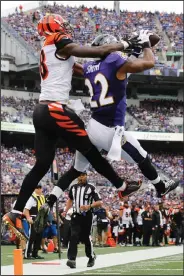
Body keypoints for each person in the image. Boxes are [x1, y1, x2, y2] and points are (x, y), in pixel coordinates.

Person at [2, 14, 142, 240]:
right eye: (63, 25)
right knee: (89, 149)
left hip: (41, 111)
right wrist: (123, 45)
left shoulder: (50, 50)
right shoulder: (58, 40)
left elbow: (82, 68)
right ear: (55, 28)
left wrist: (106, 68)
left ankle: (15, 211)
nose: (66, 28)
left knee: (41, 166)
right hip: (56, 110)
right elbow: (92, 52)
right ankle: (121, 185)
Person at [37, 32, 179, 230]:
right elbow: (148, 63)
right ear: (111, 47)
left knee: (76, 169)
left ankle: (50, 201)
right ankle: (160, 187)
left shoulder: (92, 66)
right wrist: (146, 44)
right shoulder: (114, 60)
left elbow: (77, 67)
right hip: (109, 129)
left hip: (93, 125)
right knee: (141, 156)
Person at [65, 172, 102, 269]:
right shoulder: (73, 188)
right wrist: (65, 211)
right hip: (75, 215)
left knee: (85, 237)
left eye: (83, 175)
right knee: (73, 235)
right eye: (80, 175)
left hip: (87, 216)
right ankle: (72, 259)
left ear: (86, 176)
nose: (81, 177)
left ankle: (91, 257)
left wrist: (88, 206)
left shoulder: (91, 187)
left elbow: (99, 202)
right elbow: (70, 199)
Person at [23, 184, 45, 259]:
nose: (41, 190)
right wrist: (28, 218)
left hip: (41, 219)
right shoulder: (32, 198)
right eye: (40, 189)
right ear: (37, 189)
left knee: (39, 237)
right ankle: (27, 254)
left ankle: (35, 253)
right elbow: (26, 209)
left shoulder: (42, 197)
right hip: (34, 218)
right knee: (32, 237)